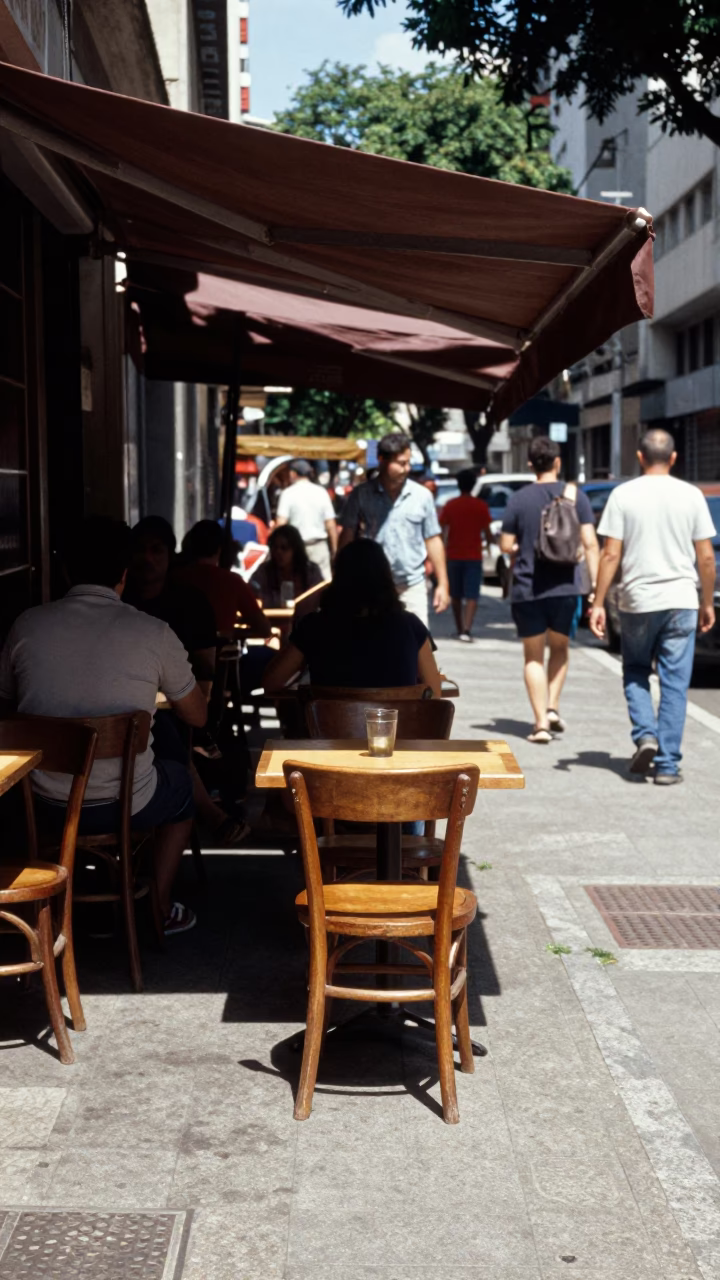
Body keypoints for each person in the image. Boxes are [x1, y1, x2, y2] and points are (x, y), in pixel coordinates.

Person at [0, 517, 207, 935]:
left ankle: (43, 904)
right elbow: (197, 716)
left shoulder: (27, 625)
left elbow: (5, 707)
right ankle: (159, 907)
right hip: (128, 802)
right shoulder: (154, 632)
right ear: (125, 573)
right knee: (181, 786)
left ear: (64, 570)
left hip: (41, 802)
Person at [590, 429, 716, 783]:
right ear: (674, 458)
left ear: (640, 457)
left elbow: (611, 553)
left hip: (637, 600)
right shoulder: (691, 496)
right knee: (675, 684)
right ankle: (667, 765)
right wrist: (707, 602)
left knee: (635, 669)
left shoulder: (623, 495)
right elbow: (706, 557)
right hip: (681, 600)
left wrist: (598, 602)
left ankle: (646, 734)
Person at [125, 516, 248, 844]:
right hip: (123, 708)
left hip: (179, 708)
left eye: (156, 550)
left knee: (162, 728)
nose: (147, 558)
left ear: (170, 554)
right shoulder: (119, 605)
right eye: (139, 550)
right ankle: (207, 812)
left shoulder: (190, 602)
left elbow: (205, 670)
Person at [500, 436, 599, 743]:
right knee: (560, 648)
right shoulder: (576, 497)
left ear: (531, 464)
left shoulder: (519, 499)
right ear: (558, 462)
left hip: (529, 588)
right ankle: (553, 707)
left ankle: (540, 722)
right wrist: (595, 586)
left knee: (532, 657)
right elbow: (590, 543)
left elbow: (505, 545)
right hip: (566, 586)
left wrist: (522, 543)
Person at [262, 540, 442, 694]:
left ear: (337, 578)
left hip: (330, 732)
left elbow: (271, 682)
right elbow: (434, 692)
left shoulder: (314, 627)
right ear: (386, 578)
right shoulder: (410, 626)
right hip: (395, 732)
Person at [338, 431, 449, 628]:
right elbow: (346, 537)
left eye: (408, 462)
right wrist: (340, 579)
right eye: (401, 463)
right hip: (370, 588)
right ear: (382, 460)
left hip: (411, 585)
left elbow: (433, 539)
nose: (407, 468)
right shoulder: (361, 495)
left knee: (418, 649)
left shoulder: (422, 496)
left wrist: (442, 583)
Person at [176, 519, 271, 638]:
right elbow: (264, 629)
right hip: (221, 654)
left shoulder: (174, 578)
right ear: (220, 549)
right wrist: (230, 634)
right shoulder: (233, 582)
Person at [439, 468, 492, 641]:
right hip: (474, 556)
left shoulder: (451, 505)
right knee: (472, 594)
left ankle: (459, 626)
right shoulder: (480, 506)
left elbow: (441, 529)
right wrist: (491, 543)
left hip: (453, 555)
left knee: (455, 595)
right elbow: (487, 530)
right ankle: (467, 629)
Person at [275, 459, 337, 580]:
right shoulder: (321, 492)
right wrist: (334, 550)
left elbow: (281, 524)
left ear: (293, 474)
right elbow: (331, 524)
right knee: (322, 585)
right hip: (319, 548)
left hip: (296, 550)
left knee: (298, 584)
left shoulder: (288, 493)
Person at [250, 525, 323, 609]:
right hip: (272, 618)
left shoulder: (311, 571)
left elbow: (319, 596)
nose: (278, 552)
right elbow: (252, 591)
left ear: (295, 550)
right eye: (275, 548)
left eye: (284, 548)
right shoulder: (264, 571)